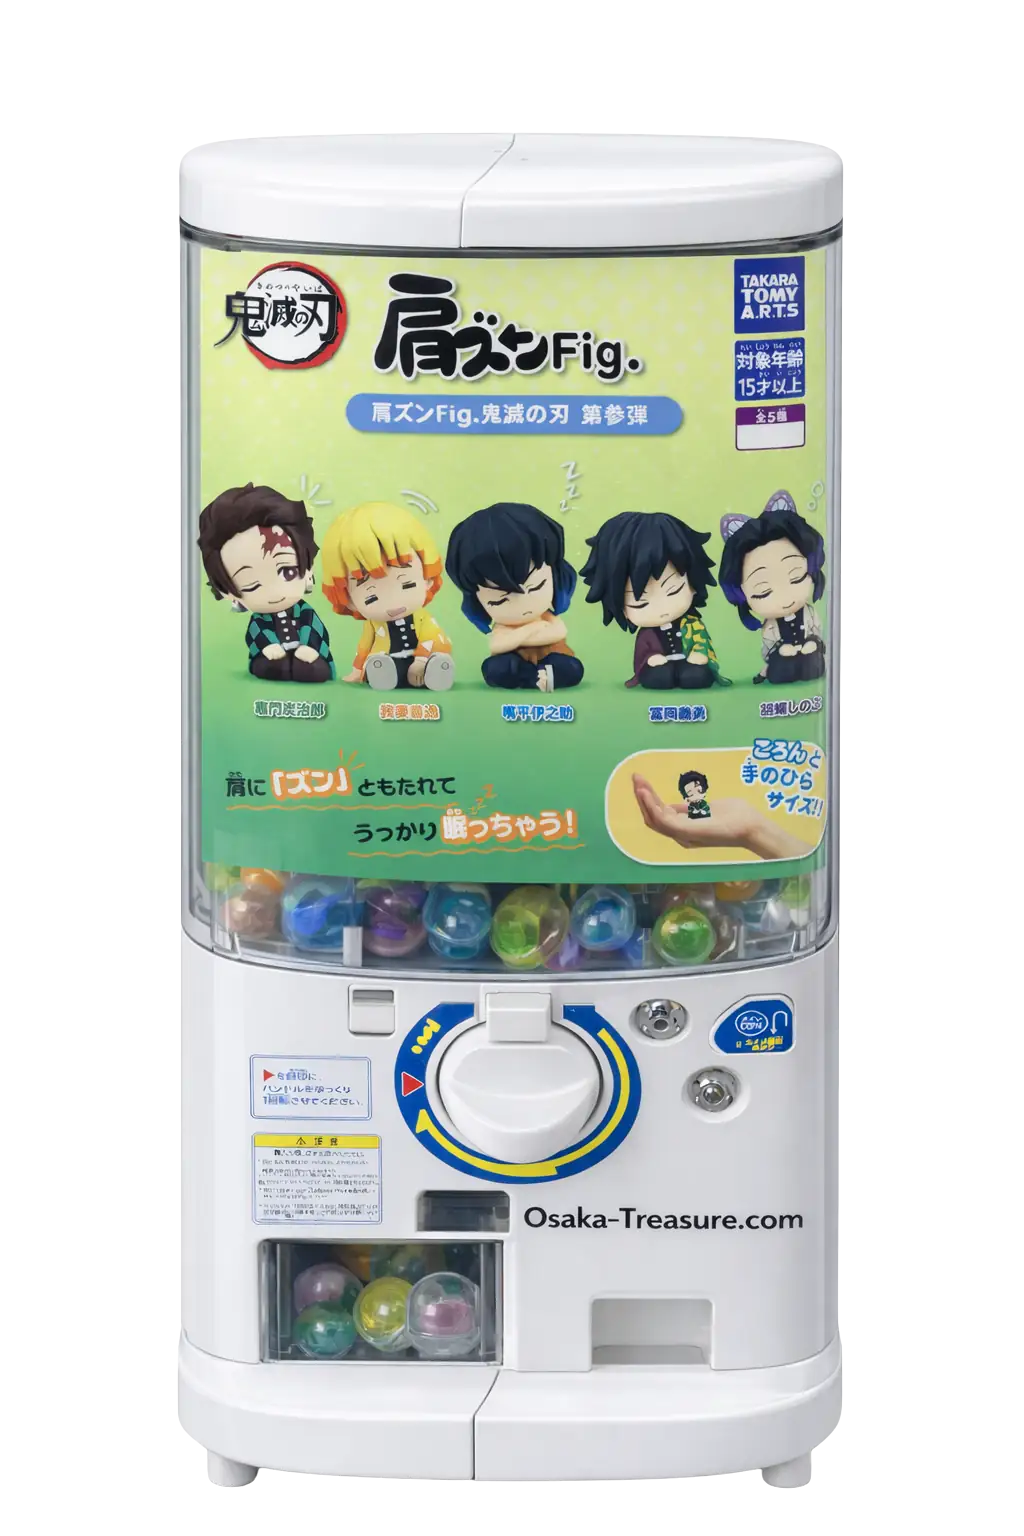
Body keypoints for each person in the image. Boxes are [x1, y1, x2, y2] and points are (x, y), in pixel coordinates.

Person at [197, 483, 335, 682]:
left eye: (288, 572)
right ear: (229, 593)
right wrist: (268, 647)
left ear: (308, 568)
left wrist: (309, 647)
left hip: (308, 655)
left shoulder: (306, 613)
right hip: (271, 656)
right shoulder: (259, 621)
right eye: (251, 585)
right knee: (269, 666)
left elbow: (316, 631)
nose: (274, 592)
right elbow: (256, 635)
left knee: (313, 668)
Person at [579, 510, 730, 689]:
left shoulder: (692, 625)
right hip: (659, 667)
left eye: (674, 591)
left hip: (689, 663)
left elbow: (701, 642)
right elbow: (645, 651)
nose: (662, 608)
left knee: (696, 675)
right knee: (659, 677)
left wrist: (699, 653)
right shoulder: (648, 635)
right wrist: (651, 657)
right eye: (640, 603)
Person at [445, 502, 583, 692]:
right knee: (495, 669)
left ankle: (543, 676)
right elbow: (498, 645)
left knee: (572, 668)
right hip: (514, 661)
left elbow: (558, 633)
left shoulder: (549, 619)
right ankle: (535, 678)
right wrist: (532, 630)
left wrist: (521, 636)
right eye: (500, 600)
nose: (523, 602)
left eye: (537, 587)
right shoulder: (506, 629)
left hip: (551, 657)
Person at [320, 502, 454, 690]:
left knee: (433, 661)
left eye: (407, 584)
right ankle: (381, 673)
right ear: (349, 601)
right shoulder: (373, 625)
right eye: (371, 598)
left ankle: (436, 671)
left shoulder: (424, 619)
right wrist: (357, 671)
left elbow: (431, 636)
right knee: (379, 662)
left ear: (428, 579)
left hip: (422, 661)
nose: (393, 602)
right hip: (390, 660)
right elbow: (364, 647)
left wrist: (421, 660)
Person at [718, 492, 826, 686]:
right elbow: (768, 648)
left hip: (810, 652)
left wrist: (813, 642)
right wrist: (780, 650)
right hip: (782, 658)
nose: (785, 598)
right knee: (782, 669)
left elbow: (817, 630)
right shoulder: (770, 626)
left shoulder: (809, 614)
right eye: (764, 591)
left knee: (813, 663)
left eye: (797, 577)